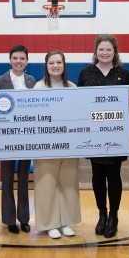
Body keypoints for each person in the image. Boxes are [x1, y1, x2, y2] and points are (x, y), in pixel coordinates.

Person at [78, 34, 129, 238]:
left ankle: (114, 216)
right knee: (97, 176)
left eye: (109, 49)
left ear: (114, 52)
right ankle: (102, 214)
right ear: (96, 51)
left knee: (114, 176)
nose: (105, 53)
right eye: (101, 49)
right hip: (93, 135)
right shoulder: (86, 72)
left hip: (115, 135)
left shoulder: (123, 73)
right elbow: (79, 103)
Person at [0, 44, 36, 234]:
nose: (18, 61)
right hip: (6, 138)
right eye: (15, 58)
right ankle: (9, 220)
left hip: (26, 137)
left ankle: (24, 218)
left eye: (22, 58)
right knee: (7, 180)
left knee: (23, 178)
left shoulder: (32, 81)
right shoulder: (0, 81)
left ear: (27, 61)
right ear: (10, 60)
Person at [33, 50, 81, 239]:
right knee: (46, 184)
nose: (55, 66)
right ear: (46, 66)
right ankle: (50, 223)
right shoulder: (38, 87)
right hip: (45, 147)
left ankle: (65, 222)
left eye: (58, 62)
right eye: (51, 62)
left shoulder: (72, 87)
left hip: (69, 146)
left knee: (68, 184)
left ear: (64, 65)